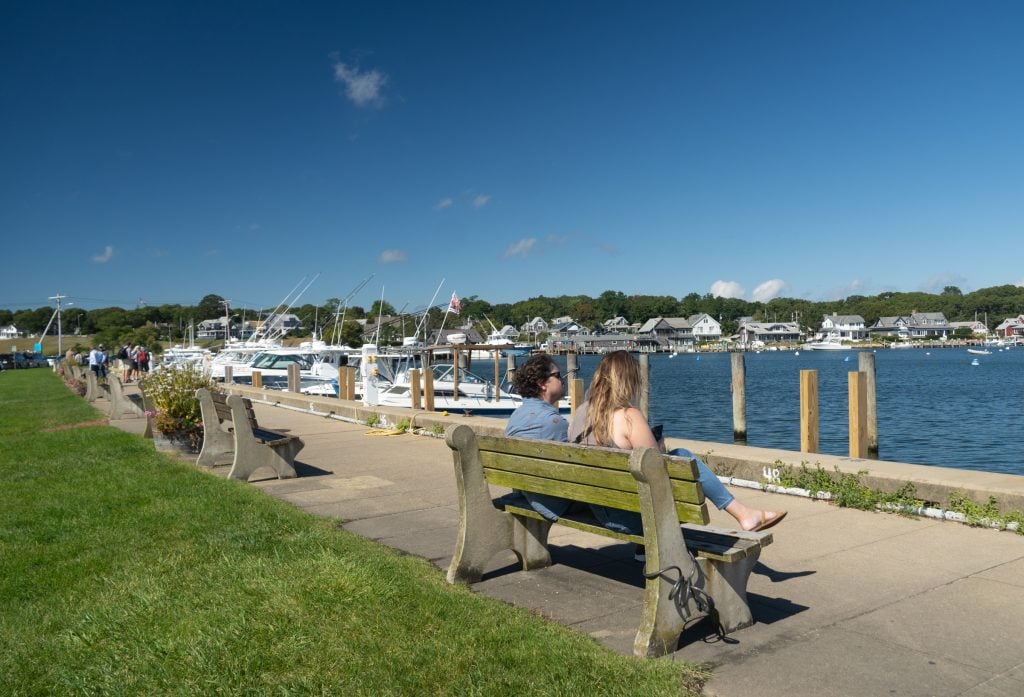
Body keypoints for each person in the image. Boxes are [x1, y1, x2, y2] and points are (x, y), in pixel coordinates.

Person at [570, 350, 787, 534]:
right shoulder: (627, 416)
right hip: (631, 518)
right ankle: (744, 514)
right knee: (681, 456)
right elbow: (656, 466)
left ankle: (643, 551)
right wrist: (661, 446)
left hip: (599, 511)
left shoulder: (580, 412)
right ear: (628, 381)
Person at [505, 353, 644, 537]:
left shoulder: (516, 417)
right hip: (555, 502)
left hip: (528, 492)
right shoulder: (553, 422)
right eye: (557, 375)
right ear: (542, 383)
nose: (563, 379)